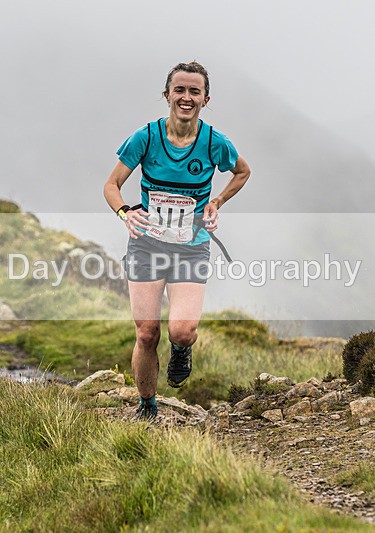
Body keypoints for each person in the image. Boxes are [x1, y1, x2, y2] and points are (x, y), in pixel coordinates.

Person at [103, 61, 251, 420]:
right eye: (180, 90)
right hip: (147, 244)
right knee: (147, 331)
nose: (186, 98)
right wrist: (126, 212)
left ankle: (182, 351)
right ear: (167, 95)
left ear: (205, 99)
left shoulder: (215, 143)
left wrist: (216, 202)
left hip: (191, 244)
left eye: (194, 92)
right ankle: (147, 405)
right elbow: (111, 186)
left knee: (182, 331)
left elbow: (243, 171)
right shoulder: (146, 138)